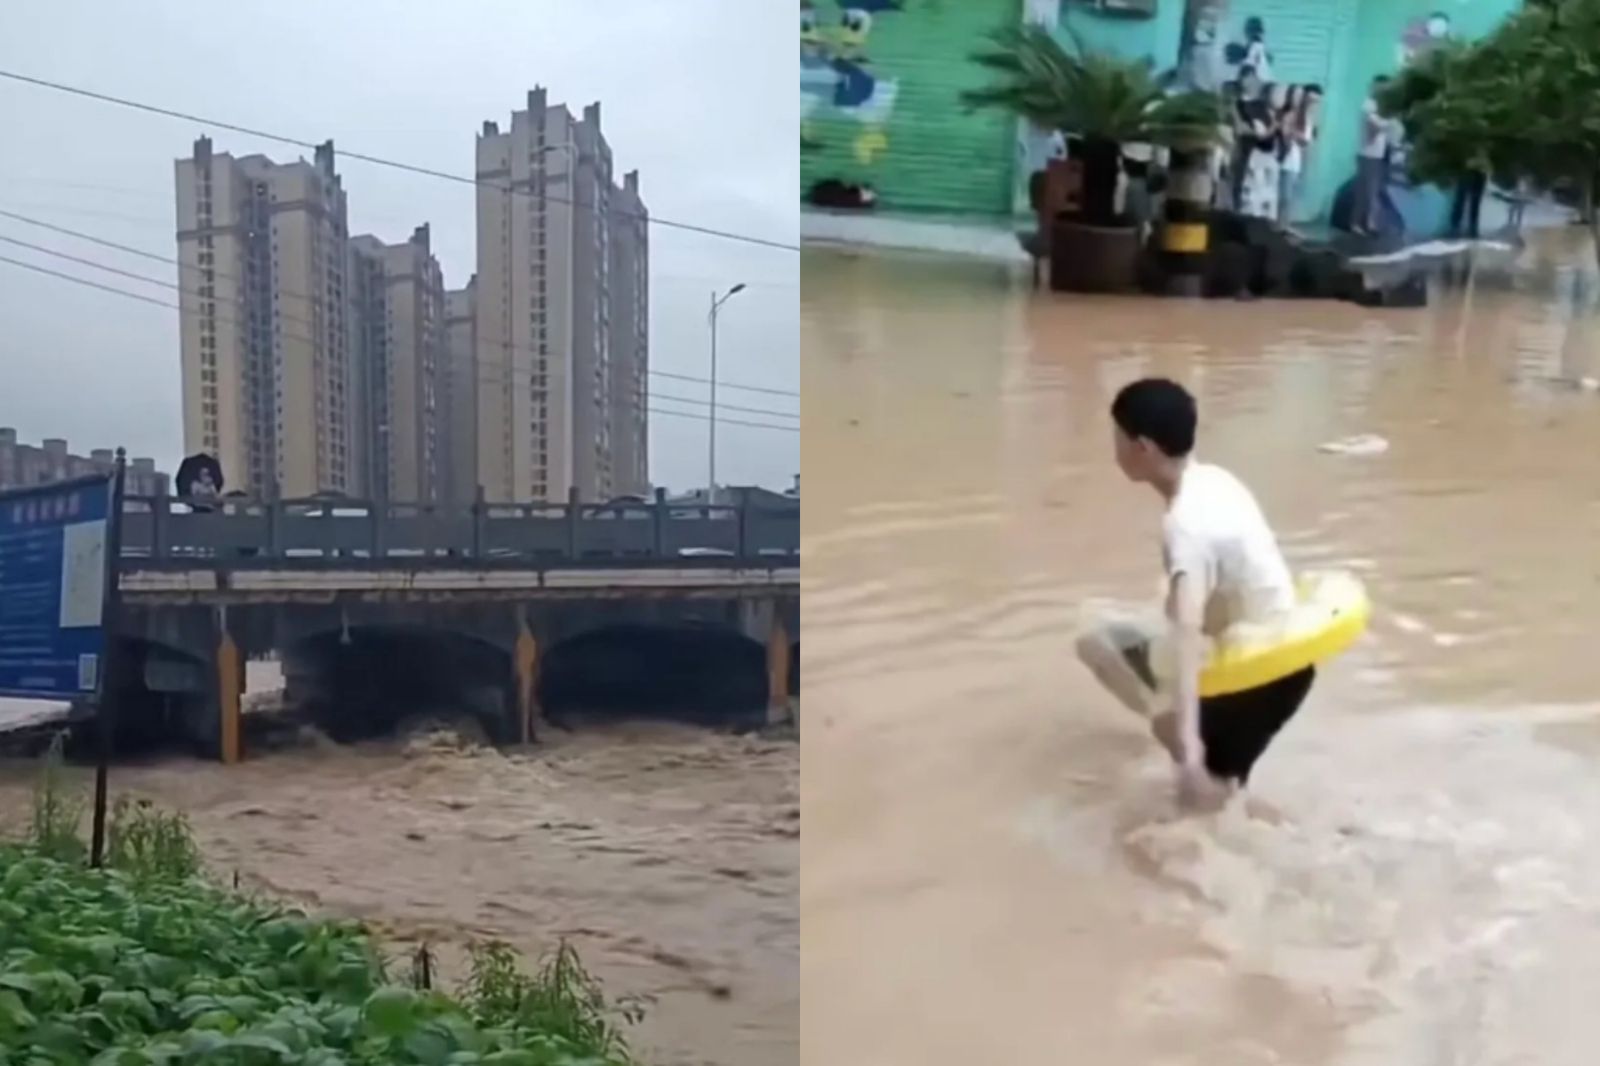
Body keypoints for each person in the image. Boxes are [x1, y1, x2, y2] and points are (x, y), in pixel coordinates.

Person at [1074, 379, 1314, 808]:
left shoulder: (1185, 524)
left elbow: (1186, 628)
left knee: (1202, 814)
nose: (1113, 448)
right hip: (1287, 662)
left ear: (1142, 448)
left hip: (1258, 681)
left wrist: (1189, 747)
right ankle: (1212, 771)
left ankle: (1194, 756)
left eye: (1117, 437)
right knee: (1101, 632)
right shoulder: (1215, 480)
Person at [1232, 69, 1279, 220]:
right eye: (1245, 79)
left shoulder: (1261, 104)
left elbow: (1268, 127)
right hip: (1244, 150)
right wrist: (1264, 131)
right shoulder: (1237, 104)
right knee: (1240, 184)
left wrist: (1271, 128)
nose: (1249, 83)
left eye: (1252, 78)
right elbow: (1241, 128)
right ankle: (1237, 215)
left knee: (1259, 189)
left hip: (1263, 153)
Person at [1277, 84, 1320, 227]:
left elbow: (1309, 139)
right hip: (1287, 159)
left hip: (1298, 160)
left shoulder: (1307, 117)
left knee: (1291, 196)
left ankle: (1285, 225)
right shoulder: (1289, 114)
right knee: (1285, 197)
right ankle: (1280, 226)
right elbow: (1286, 135)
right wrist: (1297, 137)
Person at [1353, 76, 1392, 235]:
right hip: (1368, 153)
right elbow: (1374, 127)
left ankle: (1367, 223)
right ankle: (1361, 223)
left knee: (1371, 191)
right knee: (1367, 191)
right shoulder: (1369, 105)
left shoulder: (1382, 106)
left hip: (1379, 154)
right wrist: (1386, 123)